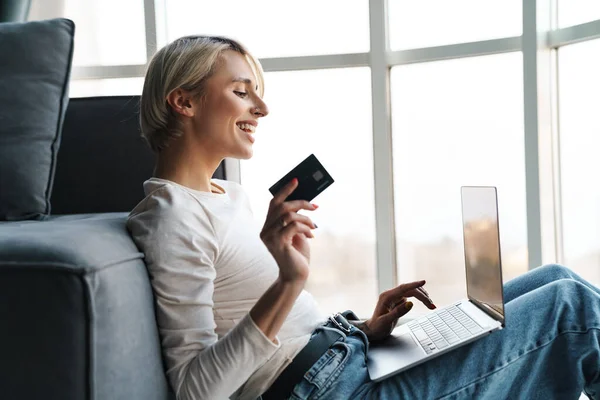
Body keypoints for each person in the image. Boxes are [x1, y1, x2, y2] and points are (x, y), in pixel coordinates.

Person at [126, 35, 600, 400]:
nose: (262, 108)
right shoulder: (171, 219)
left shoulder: (223, 194)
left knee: (556, 278)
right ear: (184, 102)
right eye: (241, 91)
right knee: (572, 307)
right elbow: (196, 388)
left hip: (345, 358)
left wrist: (363, 329)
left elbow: (276, 329)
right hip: (335, 390)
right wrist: (288, 283)